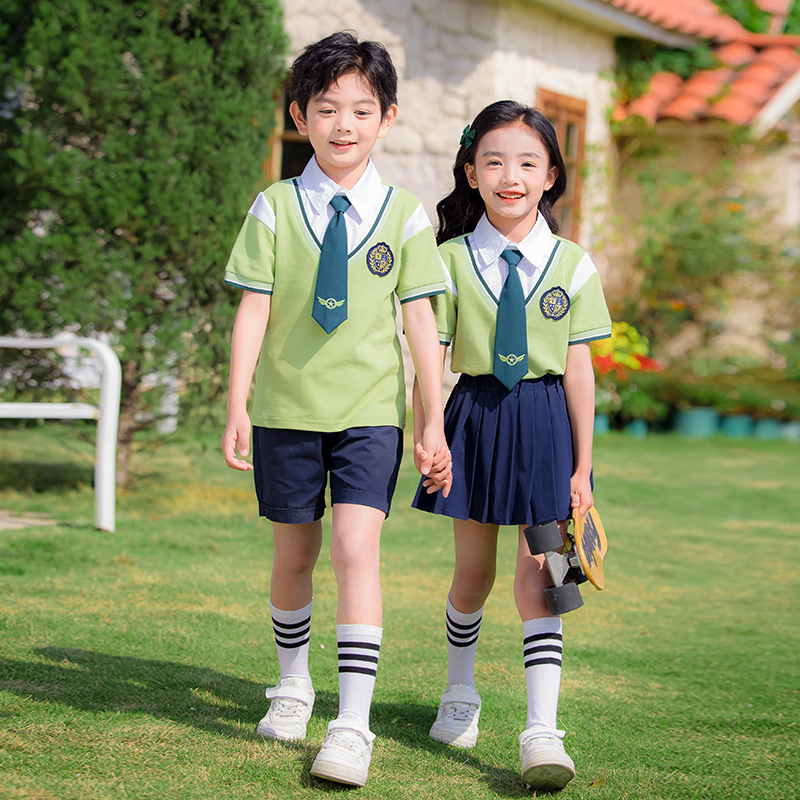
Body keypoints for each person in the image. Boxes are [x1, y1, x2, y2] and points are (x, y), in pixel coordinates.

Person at [221, 32, 450, 788]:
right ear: (300, 116)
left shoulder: (406, 216)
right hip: (286, 411)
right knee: (295, 556)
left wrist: (431, 421)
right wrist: (238, 405)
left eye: (360, 110)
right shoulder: (275, 206)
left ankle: (353, 724)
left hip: (368, 414)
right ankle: (292, 685)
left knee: (358, 548)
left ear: (387, 118)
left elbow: (422, 324)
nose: (343, 124)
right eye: (326, 109)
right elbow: (252, 312)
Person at [411, 100, 611, 791]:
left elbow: (580, 368)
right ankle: (459, 693)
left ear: (551, 175)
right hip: (472, 417)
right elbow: (431, 358)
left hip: (548, 422)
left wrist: (584, 467)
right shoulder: (447, 261)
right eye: (493, 161)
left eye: (528, 162)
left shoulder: (574, 264)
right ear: (470, 171)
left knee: (549, 578)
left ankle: (541, 731)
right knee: (475, 574)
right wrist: (428, 429)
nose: (510, 176)